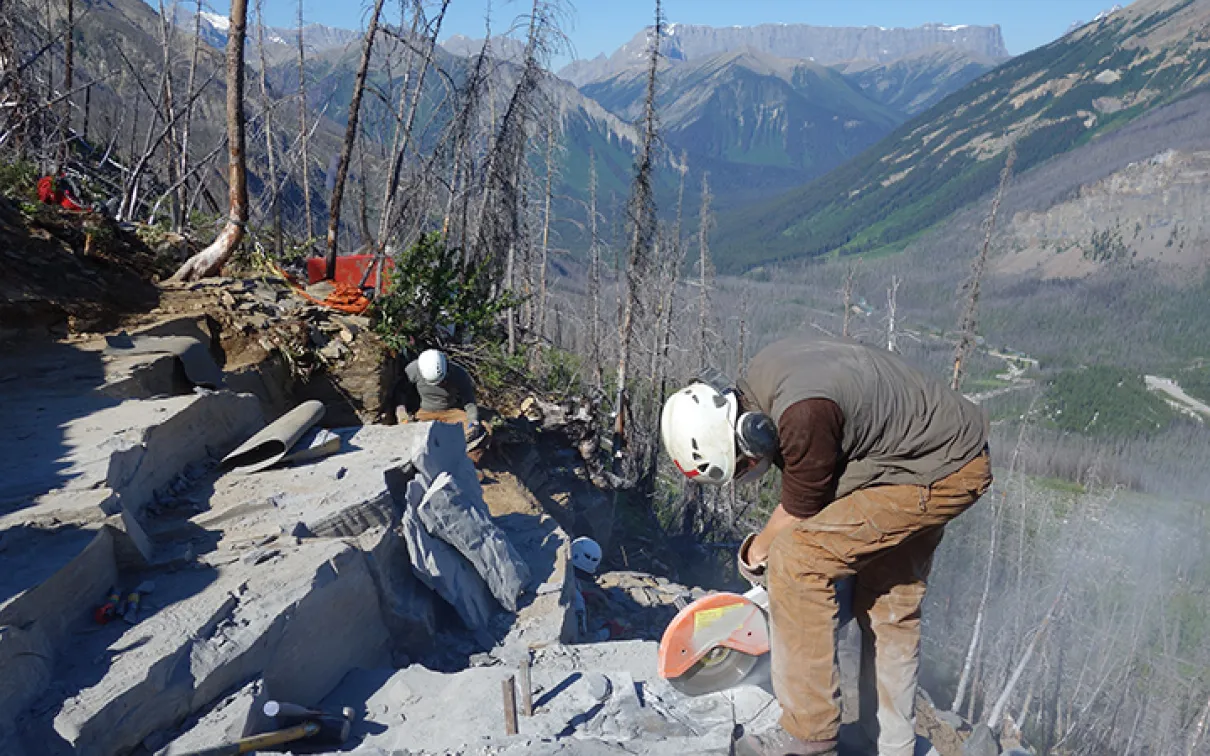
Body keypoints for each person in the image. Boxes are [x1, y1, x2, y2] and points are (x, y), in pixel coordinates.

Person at [661, 334, 992, 756]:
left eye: (743, 463)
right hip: (931, 452)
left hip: (937, 470)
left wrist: (755, 555)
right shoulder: (764, 381)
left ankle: (807, 739)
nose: (750, 470)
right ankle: (891, 745)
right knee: (888, 601)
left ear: (751, 433)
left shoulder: (802, 416)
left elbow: (799, 515)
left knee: (797, 563)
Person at [396, 349, 488, 465]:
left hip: (450, 412)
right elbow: (401, 392)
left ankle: (467, 465)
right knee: (411, 434)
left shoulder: (458, 374)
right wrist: (401, 410)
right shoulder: (413, 370)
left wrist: (473, 421)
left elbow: (469, 401)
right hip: (423, 412)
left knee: (483, 430)